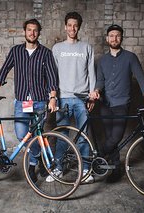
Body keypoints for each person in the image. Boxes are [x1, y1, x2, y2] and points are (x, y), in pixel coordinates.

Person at [0, 19, 58, 183]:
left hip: (39, 102)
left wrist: (52, 98)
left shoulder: (46, 53)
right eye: (29, 30)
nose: (32, 33)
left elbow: (53, 78)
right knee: (21, 134)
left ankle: (32, 166)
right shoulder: (16, 51)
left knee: (38, 135)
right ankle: (38, 158)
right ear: (24, 32)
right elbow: (3, 71)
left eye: (35, 30)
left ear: (39, 33)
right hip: (23, 102)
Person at [89, 24, 144, 183]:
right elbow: (100, 81)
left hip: (122, 104)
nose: (114, 38)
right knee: (109, 137)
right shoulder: (102, 60)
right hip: (105, 104)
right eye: (111, 35)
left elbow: (140, 77)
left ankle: (97, 158)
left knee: (115, 138)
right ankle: (115, 168)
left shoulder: (130, 57)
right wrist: (97, 91)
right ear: (107, 39)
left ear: (121, 38)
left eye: (118, 36)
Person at [46, 11, 96, 183]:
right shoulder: (57, 48)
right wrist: (53, 97)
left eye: (75, 25)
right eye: (69, 25)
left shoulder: (87, 48)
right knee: (62, 135)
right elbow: (52, 75)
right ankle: (59, 168)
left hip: (82, 98)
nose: (72, 28)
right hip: (63, 98)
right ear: (65, 26)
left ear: (79, 27)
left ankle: (86, 169)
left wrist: (91, 97)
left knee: (84, 135)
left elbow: (91, 73)